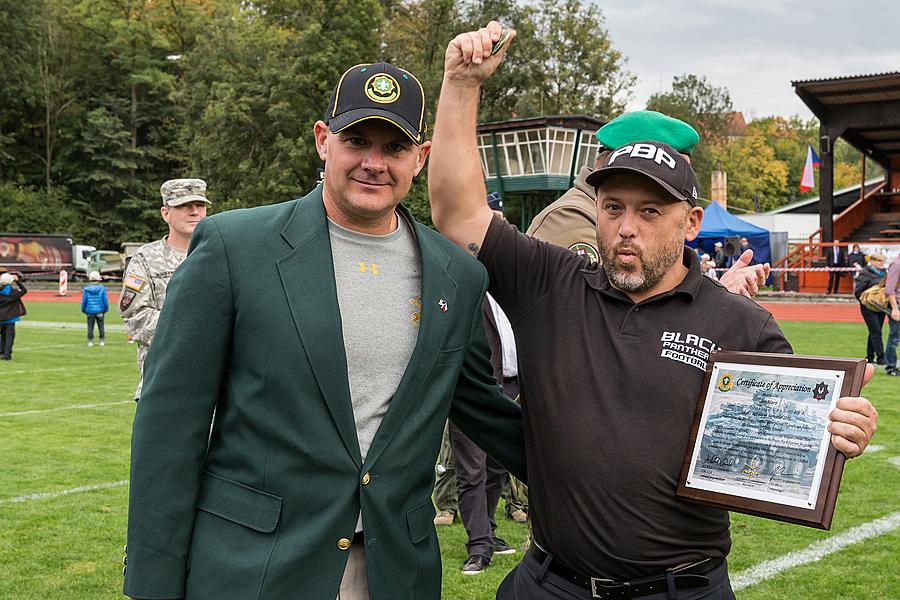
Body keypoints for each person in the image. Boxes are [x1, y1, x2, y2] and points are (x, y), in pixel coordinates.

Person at [428, 23, 878, 599]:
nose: (626, 228)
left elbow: (792, 438)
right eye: (613, 207)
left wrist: (838, 427)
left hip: (680, 590)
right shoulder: (552, 282)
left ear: (690, 222)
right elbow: (457, 213)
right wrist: (461, 84)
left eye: (650, 211)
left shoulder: (742, 324)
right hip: (552, 583)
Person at [123, 62, 525, 600]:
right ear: (322, 140)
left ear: (420, 158)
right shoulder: (234, 247)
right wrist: (154, 582)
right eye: (357, 140)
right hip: (256, 568)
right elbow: (170, 424)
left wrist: (618, 467)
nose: (373, 163)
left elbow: (485, 409)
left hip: (391, 570)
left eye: (395, 147)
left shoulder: (458, 273)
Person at [526, 111, 769, 299]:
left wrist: (715, 296)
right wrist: (714, 299)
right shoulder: (570, 217)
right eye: (667, 167)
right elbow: (605, 312)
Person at [450, 194, 520, 575]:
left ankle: (488, 532)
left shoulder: (513, 282)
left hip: (511, 389)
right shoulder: (461, 276)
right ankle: (478, 546)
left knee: (497, 468)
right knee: (472, 471)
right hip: (474, 392)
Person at [119, 178, 211, 400]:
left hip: (215, 388)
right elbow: (135, 318)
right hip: (164, 386)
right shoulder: (146, 259)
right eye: (183, 206)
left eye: (199, 205)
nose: (194, 212)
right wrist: (192, 327)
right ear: (165, 213)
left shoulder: (222, 254)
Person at [853, 253, 886, 365]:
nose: (882, 263)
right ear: (871, 261)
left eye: (883, 260)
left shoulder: (884, 274)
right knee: (876, 330)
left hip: (881, 307)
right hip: (868, 307)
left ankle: (870, 356)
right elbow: (858, 292)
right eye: (879, 260)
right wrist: (867, 299)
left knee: (875, 331)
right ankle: (881, 357)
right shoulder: (864, 273)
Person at [0, 272, 26, 360]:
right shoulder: (13, 292)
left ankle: (1, 351)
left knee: (2, 335)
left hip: (1, 318)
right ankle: (7, 354)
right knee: (9, 336)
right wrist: (18, 281)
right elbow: (24, 290)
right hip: (11, 318)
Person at [81, 271, 109, 347]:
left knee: (90, 326)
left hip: (89, 311)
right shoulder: (102, 288)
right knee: (101, 326)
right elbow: (105, 300)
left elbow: (84, 301)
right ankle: (102, 341)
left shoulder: (86, 289)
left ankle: (90, 341)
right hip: (100, 310)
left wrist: (83, 310)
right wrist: (105, 309)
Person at [885, 252, 900, 376]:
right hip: (898, 306)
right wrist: (895, 309)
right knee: (894, 337)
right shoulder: (896, 265)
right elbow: (889, 289)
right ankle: (891, 367)